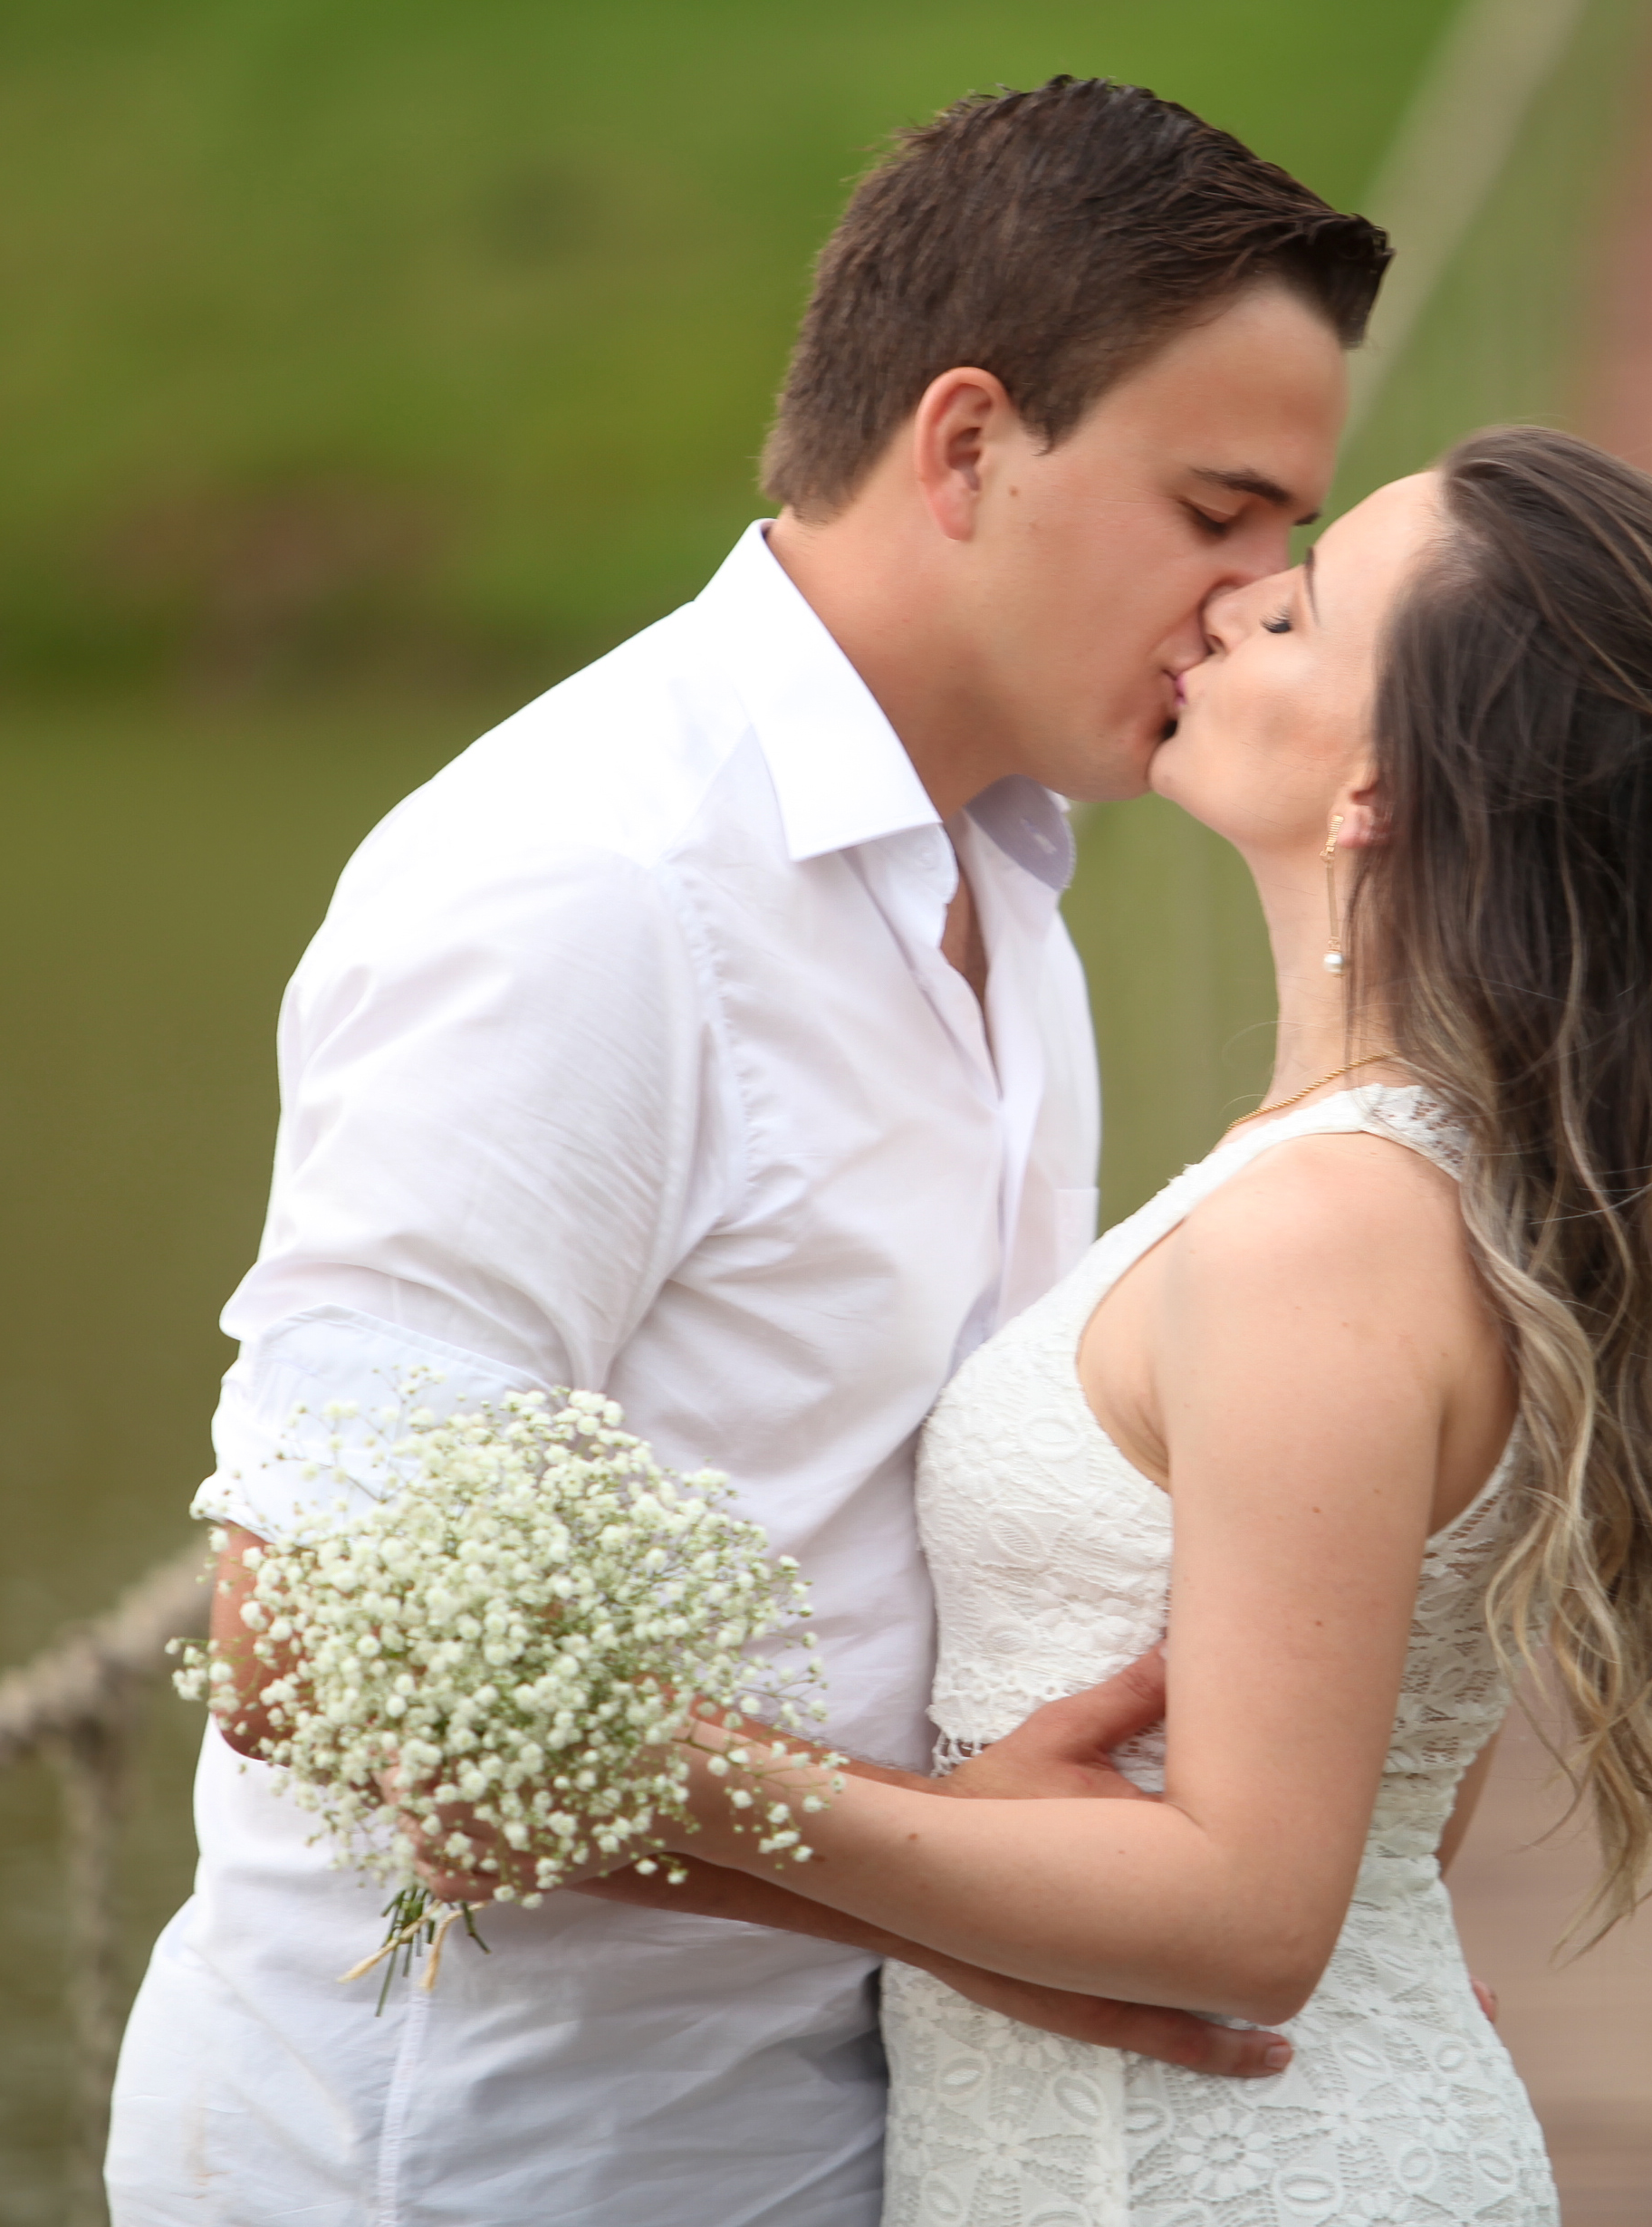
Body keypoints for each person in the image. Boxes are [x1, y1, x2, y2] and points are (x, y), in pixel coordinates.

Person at [109, 80, 1387, 2226]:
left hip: (819, 2141)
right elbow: (306, 1637)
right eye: (1216, 511)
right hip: (465, 2159)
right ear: (967, 447)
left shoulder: (1022, 897)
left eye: (1295, 545)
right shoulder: (585, 885)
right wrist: (961, 1886)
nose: (1256, 603)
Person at [606, 426, 1652, 2223]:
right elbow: (1393, 1820)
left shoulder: (1330, 1235)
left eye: (1306, 610)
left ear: (1384, 787)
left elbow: (1258, 1924)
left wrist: (662, 1777)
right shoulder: (1392, 1180)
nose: (1236, 598)